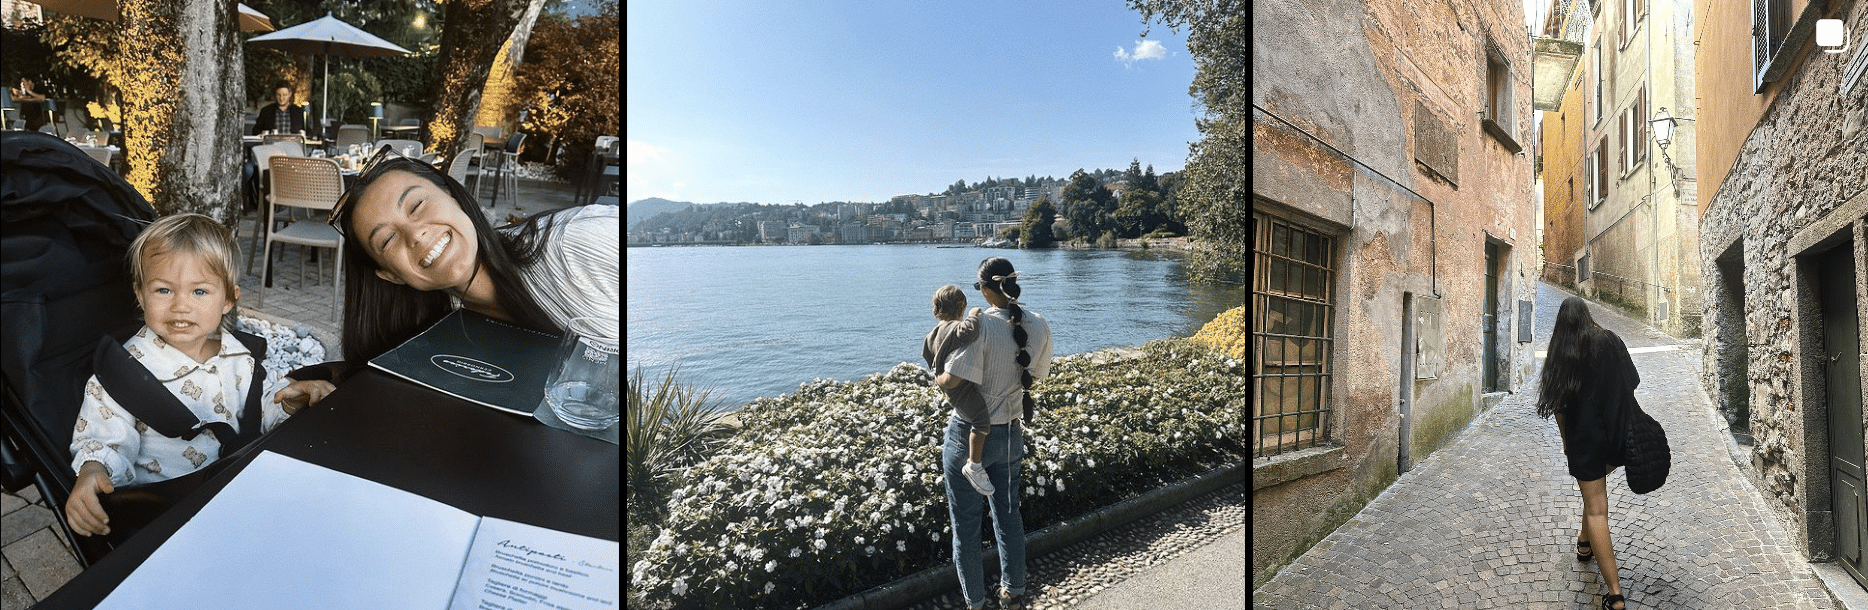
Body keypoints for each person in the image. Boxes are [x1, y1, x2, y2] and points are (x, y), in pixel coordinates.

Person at [271, 150, 620, 407]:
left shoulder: (579, 244)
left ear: (453, 195)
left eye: (417, 206)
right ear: (390, 275)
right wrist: (334, 394)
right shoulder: (444, 326)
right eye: (388, 240)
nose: (416, 235)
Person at [65, 214, 297, 538]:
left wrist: (287, 402)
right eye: (163, 290)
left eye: (199, 292)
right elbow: (104, 438)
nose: (181, 306)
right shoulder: (123, 373)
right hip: (165, 511)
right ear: (140, 293)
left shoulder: (238, 356)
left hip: (235, 487)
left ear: (229, 299)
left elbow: (260, 403)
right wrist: (93, 470)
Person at [934, 257, 1053, 610]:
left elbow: (953, 378)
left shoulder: (979, 325)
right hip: (1011, 434)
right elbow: (1038, 374)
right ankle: (1013, 592)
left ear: (985, 289)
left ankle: (975, 603)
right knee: (1009, 515)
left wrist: (936, 373)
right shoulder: (1039, 324)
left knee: (967, 527)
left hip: (969, 436)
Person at [1536, 296, 1636, 610]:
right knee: (1594, 495)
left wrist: (1567, 443)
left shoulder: (1561, 353)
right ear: (1587, 316)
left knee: (1597, 510)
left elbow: (1560, 409)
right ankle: (1584, 544)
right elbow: (1632, 381)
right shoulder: (1609, 339)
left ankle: (1615, 594)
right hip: (1615, 438)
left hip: (1584, 443)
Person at [922, 284, 993, 495]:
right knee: (981, 419)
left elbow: (927, 355)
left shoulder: (931, 335)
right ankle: (974, 464)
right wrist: (974, 315)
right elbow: (969, 333)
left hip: (950, 391)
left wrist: (938, 375)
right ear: (961, 306)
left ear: (936, 309)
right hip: (962, 390)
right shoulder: (956, 327)